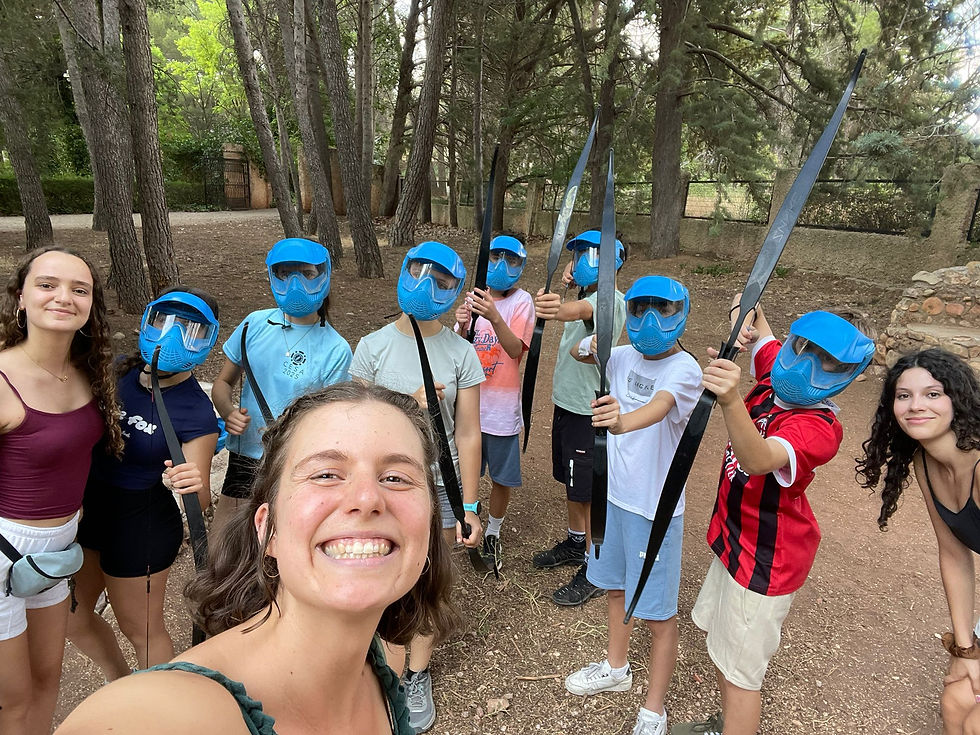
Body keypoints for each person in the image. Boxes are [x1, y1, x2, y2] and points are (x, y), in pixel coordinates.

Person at [56, 381, 457, 735]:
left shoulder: (383, 660)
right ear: (268, 529)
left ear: (428, 525)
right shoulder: (163, 713)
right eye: (325, 474)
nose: (367, 498)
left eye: (396, 478)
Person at [673, 301, 874, 735]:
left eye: (828, 362)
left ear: (849, 374)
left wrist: (730, 399)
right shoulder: (773, 372)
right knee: (725, 655)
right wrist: (744, 315)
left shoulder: (818, 427)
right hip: (736, 543)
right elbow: (754, 316)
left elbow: (759, 459)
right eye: (805, 348)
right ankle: (727, 724)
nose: (807, 366)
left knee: (742, 678)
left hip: (765, 561)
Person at [351, 240, 484, 733]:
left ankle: (417, 673)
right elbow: (358, 422)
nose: (426, 285)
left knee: (430, 576)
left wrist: (470, 503)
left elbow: (468, 433)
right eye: (418, 271)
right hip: (386, 480)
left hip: (440, 481)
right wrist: (404, 403)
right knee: (386, 573)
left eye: (441, 281)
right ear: (404, 271)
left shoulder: (461, 352)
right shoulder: (373, 346)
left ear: (454, 291)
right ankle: (386, 671)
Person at [563, 276, 702, 735]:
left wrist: (621, 421)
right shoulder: (621, 356)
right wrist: (593, 343)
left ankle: (654, 710)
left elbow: (660, 406)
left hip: (653, 510)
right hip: (612, 500)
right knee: (615, 589)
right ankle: (617, 667)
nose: (650, 320)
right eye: (640, 309)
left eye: (663, 309)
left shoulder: (685, 368)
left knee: (658, 614)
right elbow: (577, 353)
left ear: (681, 314)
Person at [0, 246, 122, 735]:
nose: (63, 297)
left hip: (58, 549)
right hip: (4, 546)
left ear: (91, 305)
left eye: (79, 289)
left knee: (46, 678)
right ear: (20, 298)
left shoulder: (88, 371)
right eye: (47, 284)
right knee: (12, 700)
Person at [68, 287, 221, 677]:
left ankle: (158, 702)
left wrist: (189, 483)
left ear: (208, 340)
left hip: (141, 524)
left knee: (141, 630)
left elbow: (200, 499)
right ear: (147, 321)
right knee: (71, 615)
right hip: (87, 513)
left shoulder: (196, 411)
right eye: (164, 321)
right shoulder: (117, 370)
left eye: (190, 329)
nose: (172, 336)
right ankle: (121, 682)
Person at [856, 348, 980, 735]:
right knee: (956, 701)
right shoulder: (926, 463)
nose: (915, 406)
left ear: (957, 399)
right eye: (904, 395)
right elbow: (954, 554)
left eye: (932, 394)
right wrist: (966, 650)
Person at [211, 238, 352, 533]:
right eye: (286, 274)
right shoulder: (253, 325)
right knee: (225, 540)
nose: (295, 284)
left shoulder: (335, 349)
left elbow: (331, 420)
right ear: (273, 276)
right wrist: (227, 412)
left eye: (307, 274)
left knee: (279, 539)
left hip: (293, 461)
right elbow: (223, 382)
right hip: (245, 456)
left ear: (324, 276)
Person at [531, 229, 627, 606]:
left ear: (611, 262)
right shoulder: (586, 296)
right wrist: (570, 290)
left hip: (588, 413)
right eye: (577, 254)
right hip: (568, 407)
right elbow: (579, 308)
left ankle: (594, 568)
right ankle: (575, 543)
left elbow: (579, 312)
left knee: (587, 494)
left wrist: (553, 306)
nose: (580, 261)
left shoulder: (610, 300)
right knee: (573, 485)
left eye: (589, 254)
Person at [453, 233, 534, 571]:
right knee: (464, 472)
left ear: (520, 265)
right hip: (469, 408)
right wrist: (461, 325)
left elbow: (516, 350)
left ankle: (494, 532)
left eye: (510, 260)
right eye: (495, 257)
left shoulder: (522, 302)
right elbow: (458, 348)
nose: (501, 265)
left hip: (501, 412)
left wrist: (495, 316)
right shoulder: (474, 296)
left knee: (501, 478)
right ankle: (464, 518)